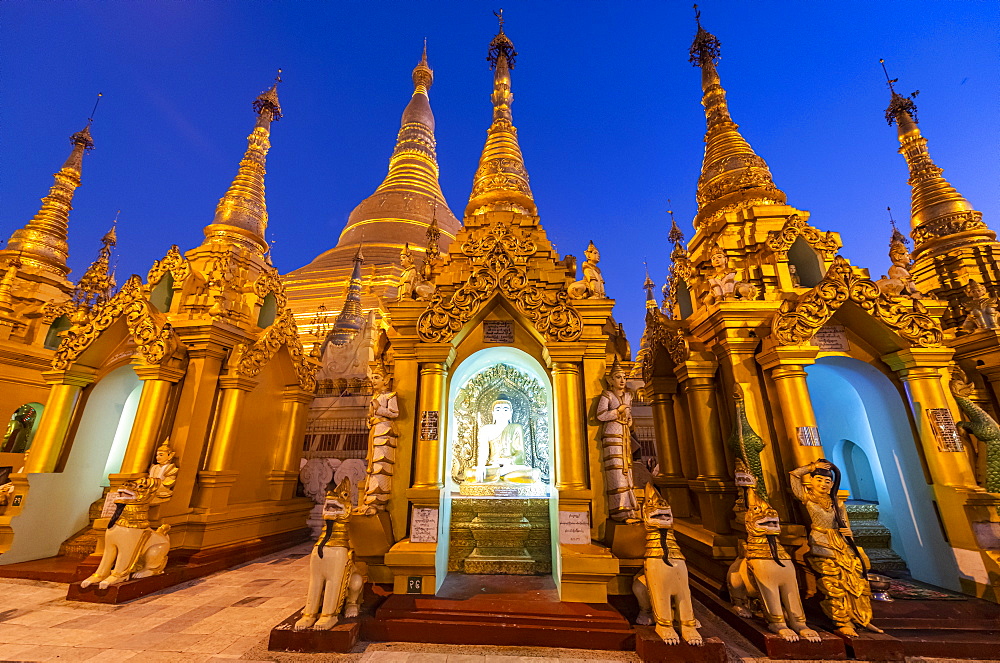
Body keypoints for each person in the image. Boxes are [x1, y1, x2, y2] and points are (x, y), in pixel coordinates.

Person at [789, 459, 881, 637]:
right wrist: (811, 467)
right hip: (820, 540)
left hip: (840, 542)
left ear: (832, 484)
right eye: (819, 480)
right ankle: (842, 620)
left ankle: (861, 618)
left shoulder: (836, 502)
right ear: (812, 481)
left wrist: (847, 533)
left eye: (827, 481)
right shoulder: (807, 497)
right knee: (833, 581)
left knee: (855, 578)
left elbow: (845, 523)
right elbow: (794, 476)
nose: (823, 484)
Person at [597, 358, 639, 521]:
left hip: (624, 437)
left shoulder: (629, 396)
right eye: (618, 377)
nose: (622, 380)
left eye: (624, 377)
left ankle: (629, 508)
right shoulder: (607, 395)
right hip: (612, 437)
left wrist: (629, 421)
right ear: (610, 380)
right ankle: (619, 511)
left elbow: (630, 417)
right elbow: (600, 415)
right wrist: (617, 411)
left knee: (626, 470)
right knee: (616, 472)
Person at [358, 367, 399, 513]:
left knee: (381, 464)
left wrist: (379, 409)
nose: (372, 380)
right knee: (372, 465)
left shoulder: (390, 396)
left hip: (385, 432)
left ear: (385, 380)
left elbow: (394, 413)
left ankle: (378, 502)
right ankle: (369, 500)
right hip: (375, 431)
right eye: (372, 377)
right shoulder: (375, 397)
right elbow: (371, 416)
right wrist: (370, 421)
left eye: (376, 377)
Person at [470, 397, 538, 484]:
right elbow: (483, 451)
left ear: (510, 413)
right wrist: (480, 467)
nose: (501, 412)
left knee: (532, 475)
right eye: (498, 409)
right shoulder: (486, 429)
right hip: (493, 467)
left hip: (511, 467)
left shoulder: (516, 427)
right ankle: (506, 478)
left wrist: (509, 460)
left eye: (505, 409)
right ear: (493, 413)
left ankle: (500, 477)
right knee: (470, 474)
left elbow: (521, 453)